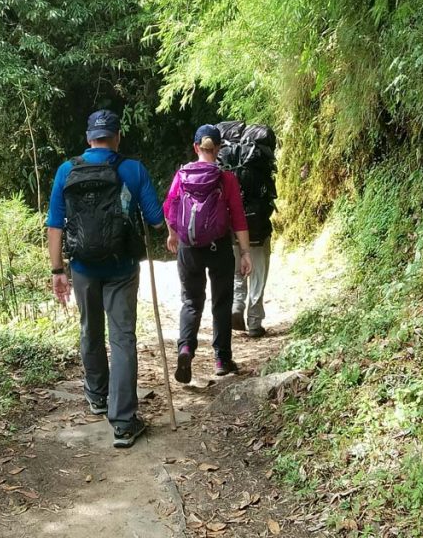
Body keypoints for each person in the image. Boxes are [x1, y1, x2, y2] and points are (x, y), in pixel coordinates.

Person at [46, 109, 165, 448]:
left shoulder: (67, 170)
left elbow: (55, 225)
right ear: (117, 137)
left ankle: (97, 396)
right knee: (123, 338)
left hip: (82, 268)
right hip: (122, 268)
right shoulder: (132, 168)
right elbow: (156, 220)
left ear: (88, 138)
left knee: (90, 329)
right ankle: (124, 423)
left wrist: (58, 270)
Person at [164, 124, 252, 382]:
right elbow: (238, 217)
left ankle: (186, 348)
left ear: (195, 148)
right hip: (219, 246)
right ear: (219, 149)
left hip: (189, 247)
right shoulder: (226, 179)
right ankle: (222, 359)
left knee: (191, 300)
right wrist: (245, 252)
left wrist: (173, 234)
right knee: (221, 302)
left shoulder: (181, 176)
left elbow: (169, 206)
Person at [222, 123, 277, 338]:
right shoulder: (258, 161)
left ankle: (237, 305)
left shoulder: (230, 158)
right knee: (258, 274)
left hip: (232, 228)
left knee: (237, 270)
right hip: (258, 229)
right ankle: (255, 322)